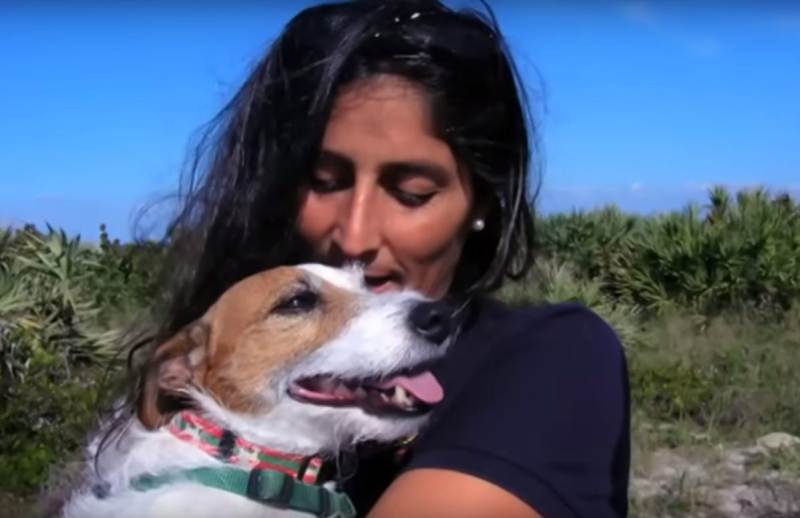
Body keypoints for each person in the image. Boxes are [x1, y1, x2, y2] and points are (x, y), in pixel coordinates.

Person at [150, 1, 630, 516]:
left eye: (412, 192)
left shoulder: (555, 357)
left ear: (482, 204)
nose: (355, 237)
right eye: (324, 182)